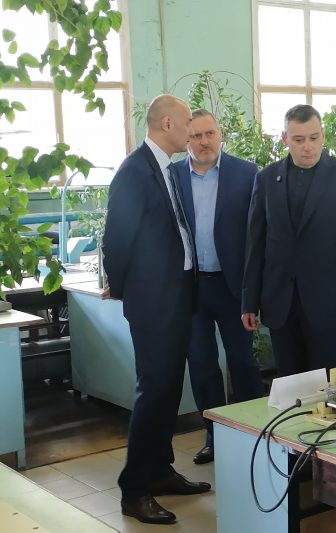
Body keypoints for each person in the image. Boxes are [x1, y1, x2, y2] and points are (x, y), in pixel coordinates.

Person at [102, 95, 211, 525]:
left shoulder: (167, 167)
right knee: (154, 390)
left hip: (179, 293)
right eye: (187, 123)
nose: (192, 130)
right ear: (167, 124)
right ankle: (134, 490)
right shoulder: (134, 172)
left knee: (168, 388)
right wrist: (126, 290)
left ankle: (160, 471)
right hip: (153, 300)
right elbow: (117, 238)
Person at [241, 104, 336, 377]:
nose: (307, 147)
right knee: (290, 386)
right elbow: (255, 245)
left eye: (314, 138)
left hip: (329, 305)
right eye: (299, 139)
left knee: (327, 387)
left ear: (322, 135)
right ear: (285, 139)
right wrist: (248, 302)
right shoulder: (266, 179)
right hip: (280, 305)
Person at [177, 109, 261, 466]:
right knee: (201, 365)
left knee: (243, 362)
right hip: (192, 288)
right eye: (196, 136)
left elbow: (257, 237)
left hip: (233, 287)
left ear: (220, 133)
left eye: (209, 133)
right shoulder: (173, 176)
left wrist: (253, 294)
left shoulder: (246, 173)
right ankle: (214, 437)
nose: (204, 142)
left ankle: (253, 434)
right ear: (186, 139)